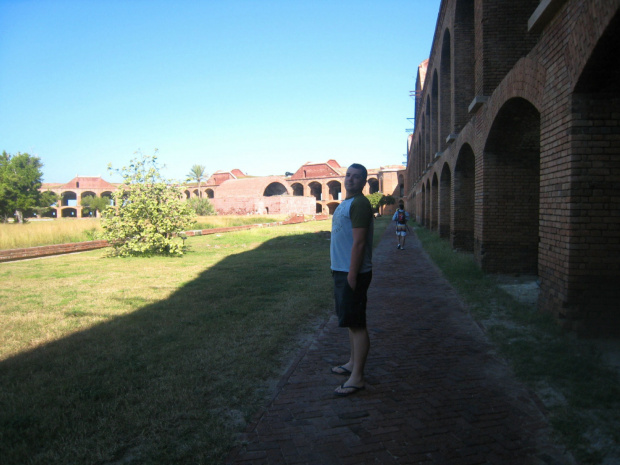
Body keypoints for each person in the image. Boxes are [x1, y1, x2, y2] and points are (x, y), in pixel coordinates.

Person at [330, 163, 374, 397]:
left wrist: (352, 275)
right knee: (350, 321)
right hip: (342, 270)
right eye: (348, 175)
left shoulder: (359, 204)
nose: (350, 180)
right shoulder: (346, 203)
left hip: (352, 272)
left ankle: (357, 378)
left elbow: (359, 242)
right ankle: (351, 363)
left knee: (357, 324)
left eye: (357, 177)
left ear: (364, 182)